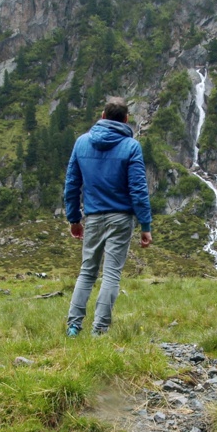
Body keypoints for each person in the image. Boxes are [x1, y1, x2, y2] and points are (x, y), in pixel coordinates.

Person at [62, 97, 153, 337]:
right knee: (111, 273)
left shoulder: (81, 143)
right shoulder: (131, 147)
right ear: (126, 119)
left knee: (87, 271)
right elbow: (138, 189)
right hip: (121, 218)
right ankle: (99, 329)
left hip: (93, 217)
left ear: (102, 116)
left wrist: (74, 219)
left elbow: (72, 184)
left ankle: (73, 326)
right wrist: (145, 224)